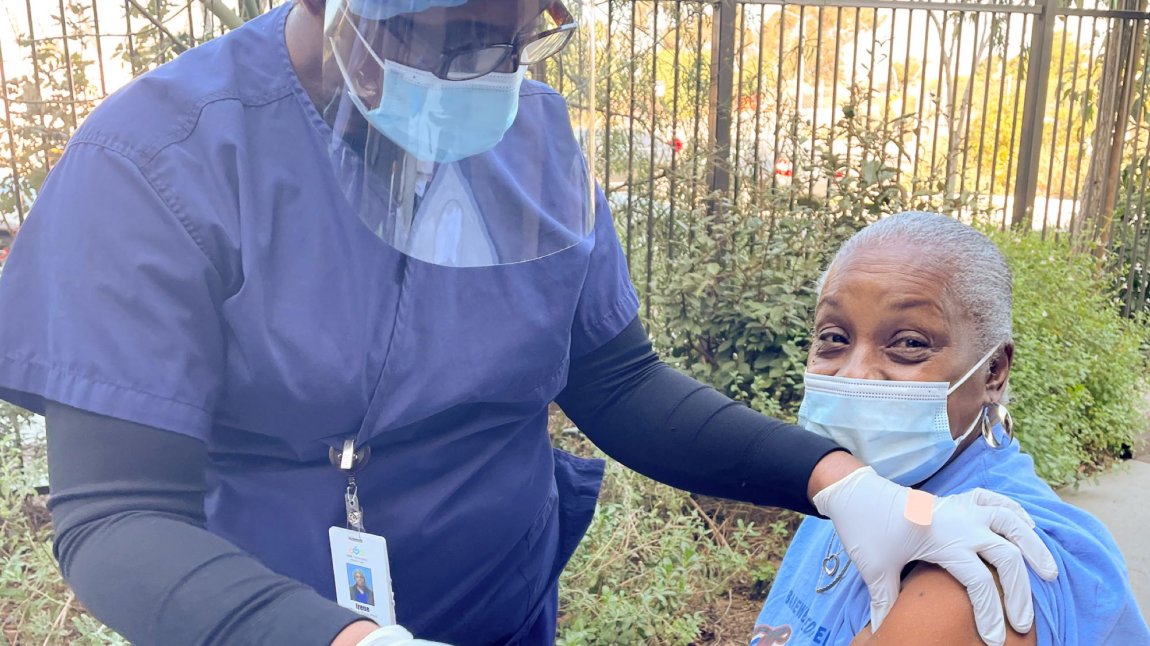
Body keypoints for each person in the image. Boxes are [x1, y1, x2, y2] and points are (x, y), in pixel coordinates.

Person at [0, 1, 1055, 645]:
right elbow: (119, 518)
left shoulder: (532, 142)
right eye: (456, 36)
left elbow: (617, 381)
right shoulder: (159, 164)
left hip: (500, 610)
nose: (487, 81)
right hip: (265, 624)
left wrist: (839, 480)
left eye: (517, 39)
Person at [751, 211, 1150, 645]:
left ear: (993, 371)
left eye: (909, 343)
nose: (854, 373)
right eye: (833, 337)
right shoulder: (852, 485)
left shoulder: (983, 560)